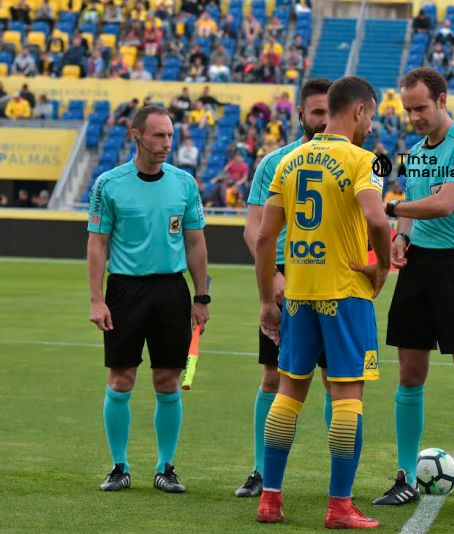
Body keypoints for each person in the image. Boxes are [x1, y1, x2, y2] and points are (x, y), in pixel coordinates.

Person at [254, 76, 390, 528]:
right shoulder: (360, 159)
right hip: (345, 293)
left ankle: (270, 499)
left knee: (289, 393)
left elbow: (264, 238)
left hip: (298, 294)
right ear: (358, 111)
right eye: (371, 114)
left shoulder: (287, 161)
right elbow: (376, 217)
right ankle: (339, 506)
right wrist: (382, 265)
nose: (371, 123)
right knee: (347, 397)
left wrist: (265, 300)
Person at [373, 67, 454, 511]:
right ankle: (405, 475)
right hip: (419, 268)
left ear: (442, 100)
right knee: (409, 375)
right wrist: (400, 235)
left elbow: (444, 203)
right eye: (408, 109)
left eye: (421, 108)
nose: (414, 117)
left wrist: (387, 208)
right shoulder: (413, 151)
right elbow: (413, 205)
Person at [87, 106, 209, 494]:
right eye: (158, 136)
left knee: (168, 380)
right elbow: (97, 243)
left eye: (170, 136)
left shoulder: (184, 183)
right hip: (124, 291)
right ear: (134, 135)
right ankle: (119, 466)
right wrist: (96, 299)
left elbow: (194, 241)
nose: (166, 144)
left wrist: (201, 295)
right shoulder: (108, 183)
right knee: (121, 379)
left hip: (171, 291)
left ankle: (165, 467)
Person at [235, 78, 333, 498]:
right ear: (299, 114)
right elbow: (255, 230)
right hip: (285, 285)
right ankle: (261, 469)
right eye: (317, 113)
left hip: (332, 288)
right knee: (273, 377)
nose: (325, 121)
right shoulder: (274, 162)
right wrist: (273, 273)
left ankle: (339, 474)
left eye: (331, 113)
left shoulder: (357, 160)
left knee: (338, 380)